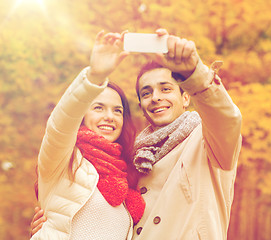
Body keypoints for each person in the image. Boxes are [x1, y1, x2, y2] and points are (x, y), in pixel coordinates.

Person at [31, 28, 242, 240]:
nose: (156, 97)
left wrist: (195, 74)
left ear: (186, 97)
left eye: (166, 89)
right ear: (141, 105)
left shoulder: (207, 140)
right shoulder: (134, 162)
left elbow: (227, 119)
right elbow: (60, 126)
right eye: (147, 92)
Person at [30, 30, 145, 240]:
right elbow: (60, 124)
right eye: (98, 108)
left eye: (117, 110)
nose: (109, 117)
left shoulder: (127, 175)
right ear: (82, 115)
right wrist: (94, 77)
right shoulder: (63, 159)